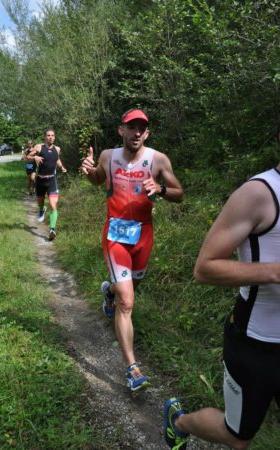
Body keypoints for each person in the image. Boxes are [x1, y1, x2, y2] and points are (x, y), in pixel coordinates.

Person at [164, 148, 280, 449]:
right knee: (238, 436)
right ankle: (180, 421)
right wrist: (274, 272)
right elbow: (204, 268)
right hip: (256, 343)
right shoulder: (259, 193)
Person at [81, 108, 184, 391]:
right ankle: (132, 368)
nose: (137, 132)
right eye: (131, 127)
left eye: (142, 128)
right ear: (121, 130)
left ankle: (109, 290)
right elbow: (97, 179)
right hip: (115, 234)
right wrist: (89, 172)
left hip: (143, 234)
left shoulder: (158, 160)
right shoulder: (108, 156)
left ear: (147, 133)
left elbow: (179, 193)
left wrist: (161, 190)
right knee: (127, 302)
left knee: (131, 287)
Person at [26, 129, 67, 241]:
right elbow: (27, 157)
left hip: (51, 181)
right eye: (48, 135)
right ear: (45, 137)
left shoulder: (57, 149)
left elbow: (57, 159)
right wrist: (35, 157)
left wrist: (61, 167)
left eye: (52, 135)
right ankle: (41, 209)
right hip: (40, 180)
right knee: (40, 200)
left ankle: (52, 229)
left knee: (53, 205)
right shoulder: (39, 147)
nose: (50, 137)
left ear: (54, 137)